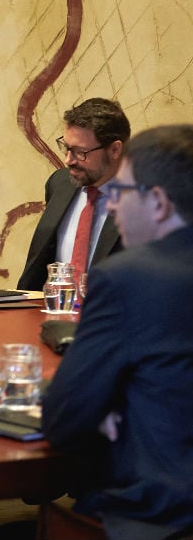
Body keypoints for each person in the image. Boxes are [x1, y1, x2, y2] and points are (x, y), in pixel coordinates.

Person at [42, 124, 193, 540]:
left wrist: (114, 405)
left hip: (157, 515)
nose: (111, 207)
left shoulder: (127, 278)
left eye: (121, 193)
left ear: (159, 203)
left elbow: (64, 419)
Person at [18, 98, 131, 290]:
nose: (68, 160)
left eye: (80, 152)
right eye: (66, 147)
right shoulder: (60, 184)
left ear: (114, 149)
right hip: (50, 314)